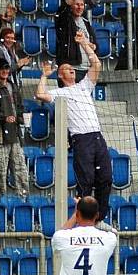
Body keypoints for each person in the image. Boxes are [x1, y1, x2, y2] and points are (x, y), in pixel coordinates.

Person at [36, 31, 113, 224]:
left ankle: (98, 218)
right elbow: (40, 94)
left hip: (96, 136)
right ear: (61, 75)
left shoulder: (84, 86)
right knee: (85, 181)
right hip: (81, 139)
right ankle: (81, 219)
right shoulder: (59, 92)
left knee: (105, 178)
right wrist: (44, 75)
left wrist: (84, 44)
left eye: (72, 68)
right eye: (68, 68)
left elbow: (97, 64)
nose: (72, 70)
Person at [0, 59, 29, 201]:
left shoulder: (13, 86)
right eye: (1, 68)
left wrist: (22, 117)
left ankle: (23, 199)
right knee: (1, 170)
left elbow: (19, 106)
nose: (5, 71)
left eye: (6, 68)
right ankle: (0, 200)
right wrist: (3, 118)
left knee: (20, 169)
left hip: (15, 134)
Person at [55, 0, 97, 81]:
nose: (79, 7)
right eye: (77, 4)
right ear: (71, 6)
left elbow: (95, 44)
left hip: (87, 69)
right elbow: (66, 4)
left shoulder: (86, 22)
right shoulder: (65, 20)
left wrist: (92, 46)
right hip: (71, 69)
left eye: (82, 5)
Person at [0, 28, 32, 92]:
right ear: (2, 38)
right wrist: (18, 65)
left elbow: (15, 70)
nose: (10, 40)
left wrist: (22, 64)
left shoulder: (12, 51)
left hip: (13, 82)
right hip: (3, 84)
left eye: (12, 38)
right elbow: (3, 71)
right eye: (7, 37)